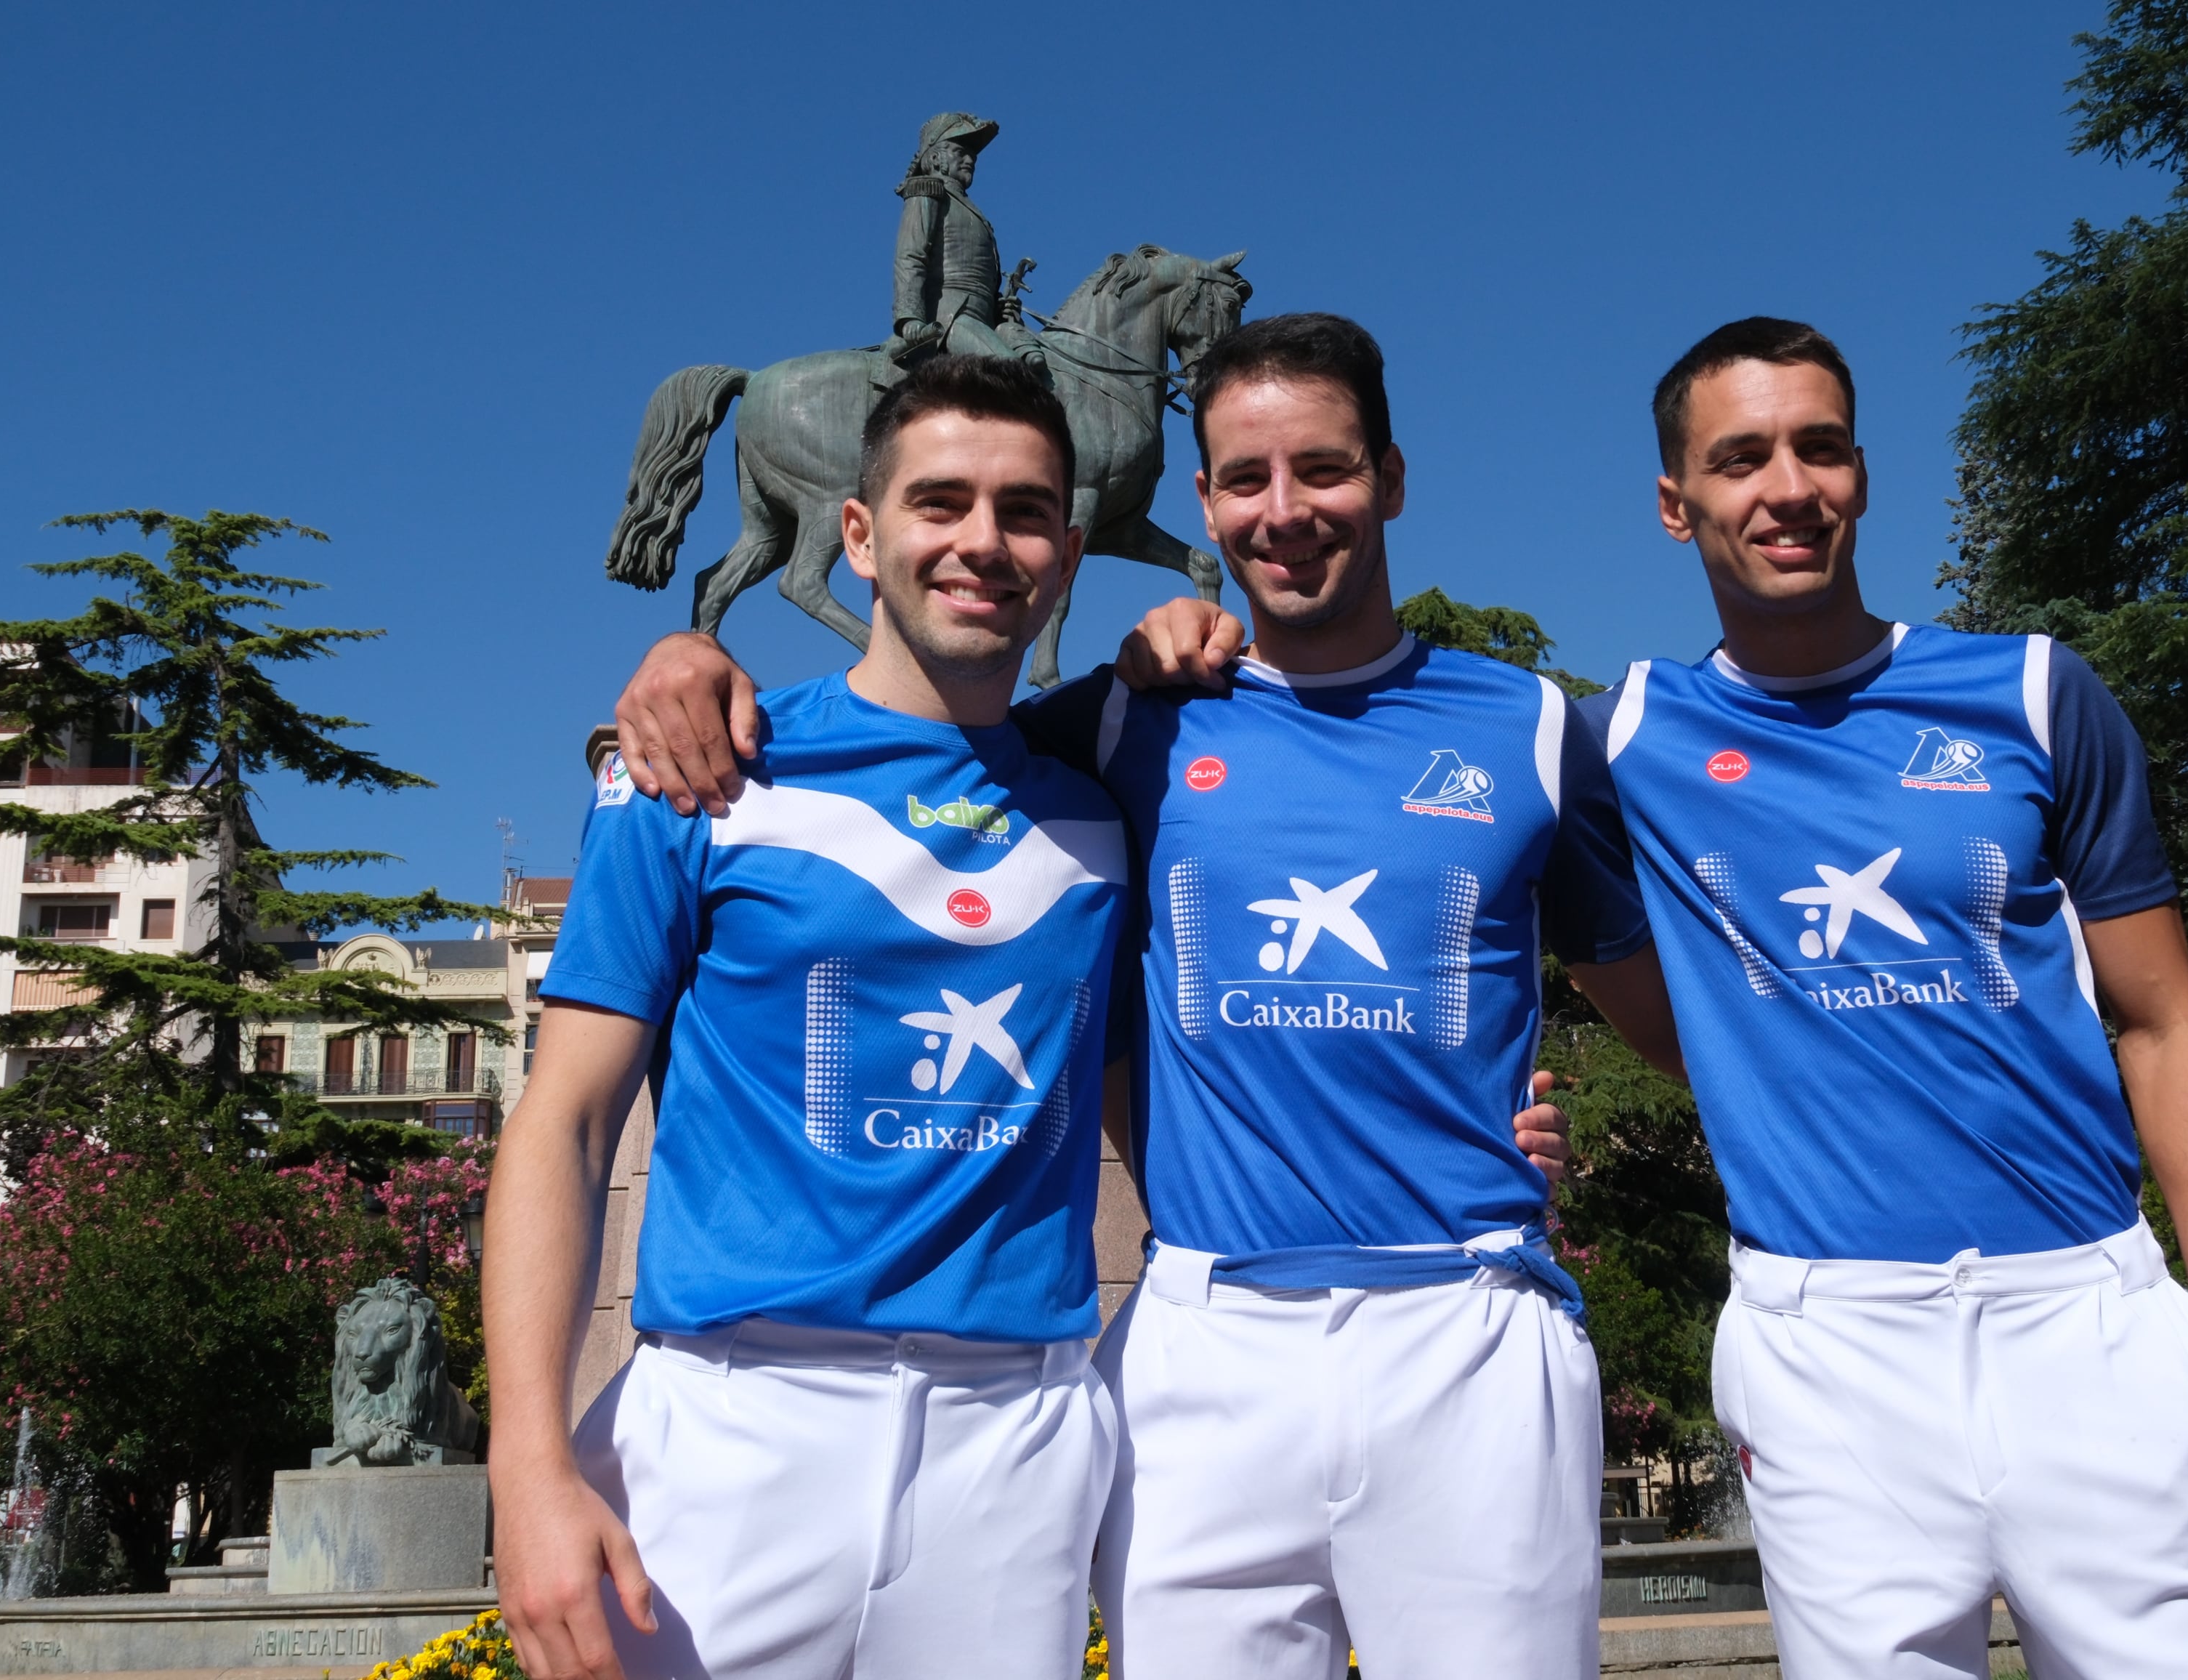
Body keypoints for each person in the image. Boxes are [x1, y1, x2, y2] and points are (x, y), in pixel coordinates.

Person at [1108, 318, 2188, 1679]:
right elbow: (1674, 1031)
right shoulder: (1611, 733)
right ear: (1677, 503)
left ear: (1858, 471)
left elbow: (2160, 1013)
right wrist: (1498, 1119)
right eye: (1739, 457)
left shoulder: (2017, 694)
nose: (1784, 488)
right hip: (1820, 1334)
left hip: (2089, 1315)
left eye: (1816, 448)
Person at [609, 315, 1673, 1680]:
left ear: (1392, 478)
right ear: (1203, 504)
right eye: (1243, 480)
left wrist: (1567, 1120)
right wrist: (687, 666)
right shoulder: (1119, 722)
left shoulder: (1532, 725)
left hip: (1467, 1321)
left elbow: (1678, 1026)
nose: (1283, 511)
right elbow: (918, 726)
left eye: (1323, 471)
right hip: (1201, 1334)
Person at [485, 357, 1129, 1680]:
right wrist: (528, 1464)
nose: (979, 542)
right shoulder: (694, 772)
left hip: (1012, 1446)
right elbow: (562, 1121)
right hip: (727, 1435)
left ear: (1066, 553)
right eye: (938, 501)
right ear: (857, 533)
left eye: (1022, 512)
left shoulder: (1111, 805)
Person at [882, 112, 1046, 372]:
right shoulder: (927, 190)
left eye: (973, 156)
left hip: (982, 322)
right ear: (935, 157)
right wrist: (910, 319)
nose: (970, 160)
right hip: (950, 318)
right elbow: (910, 257)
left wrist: (999, 308)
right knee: (1012, 375)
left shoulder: (974, 212)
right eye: (961, 152)